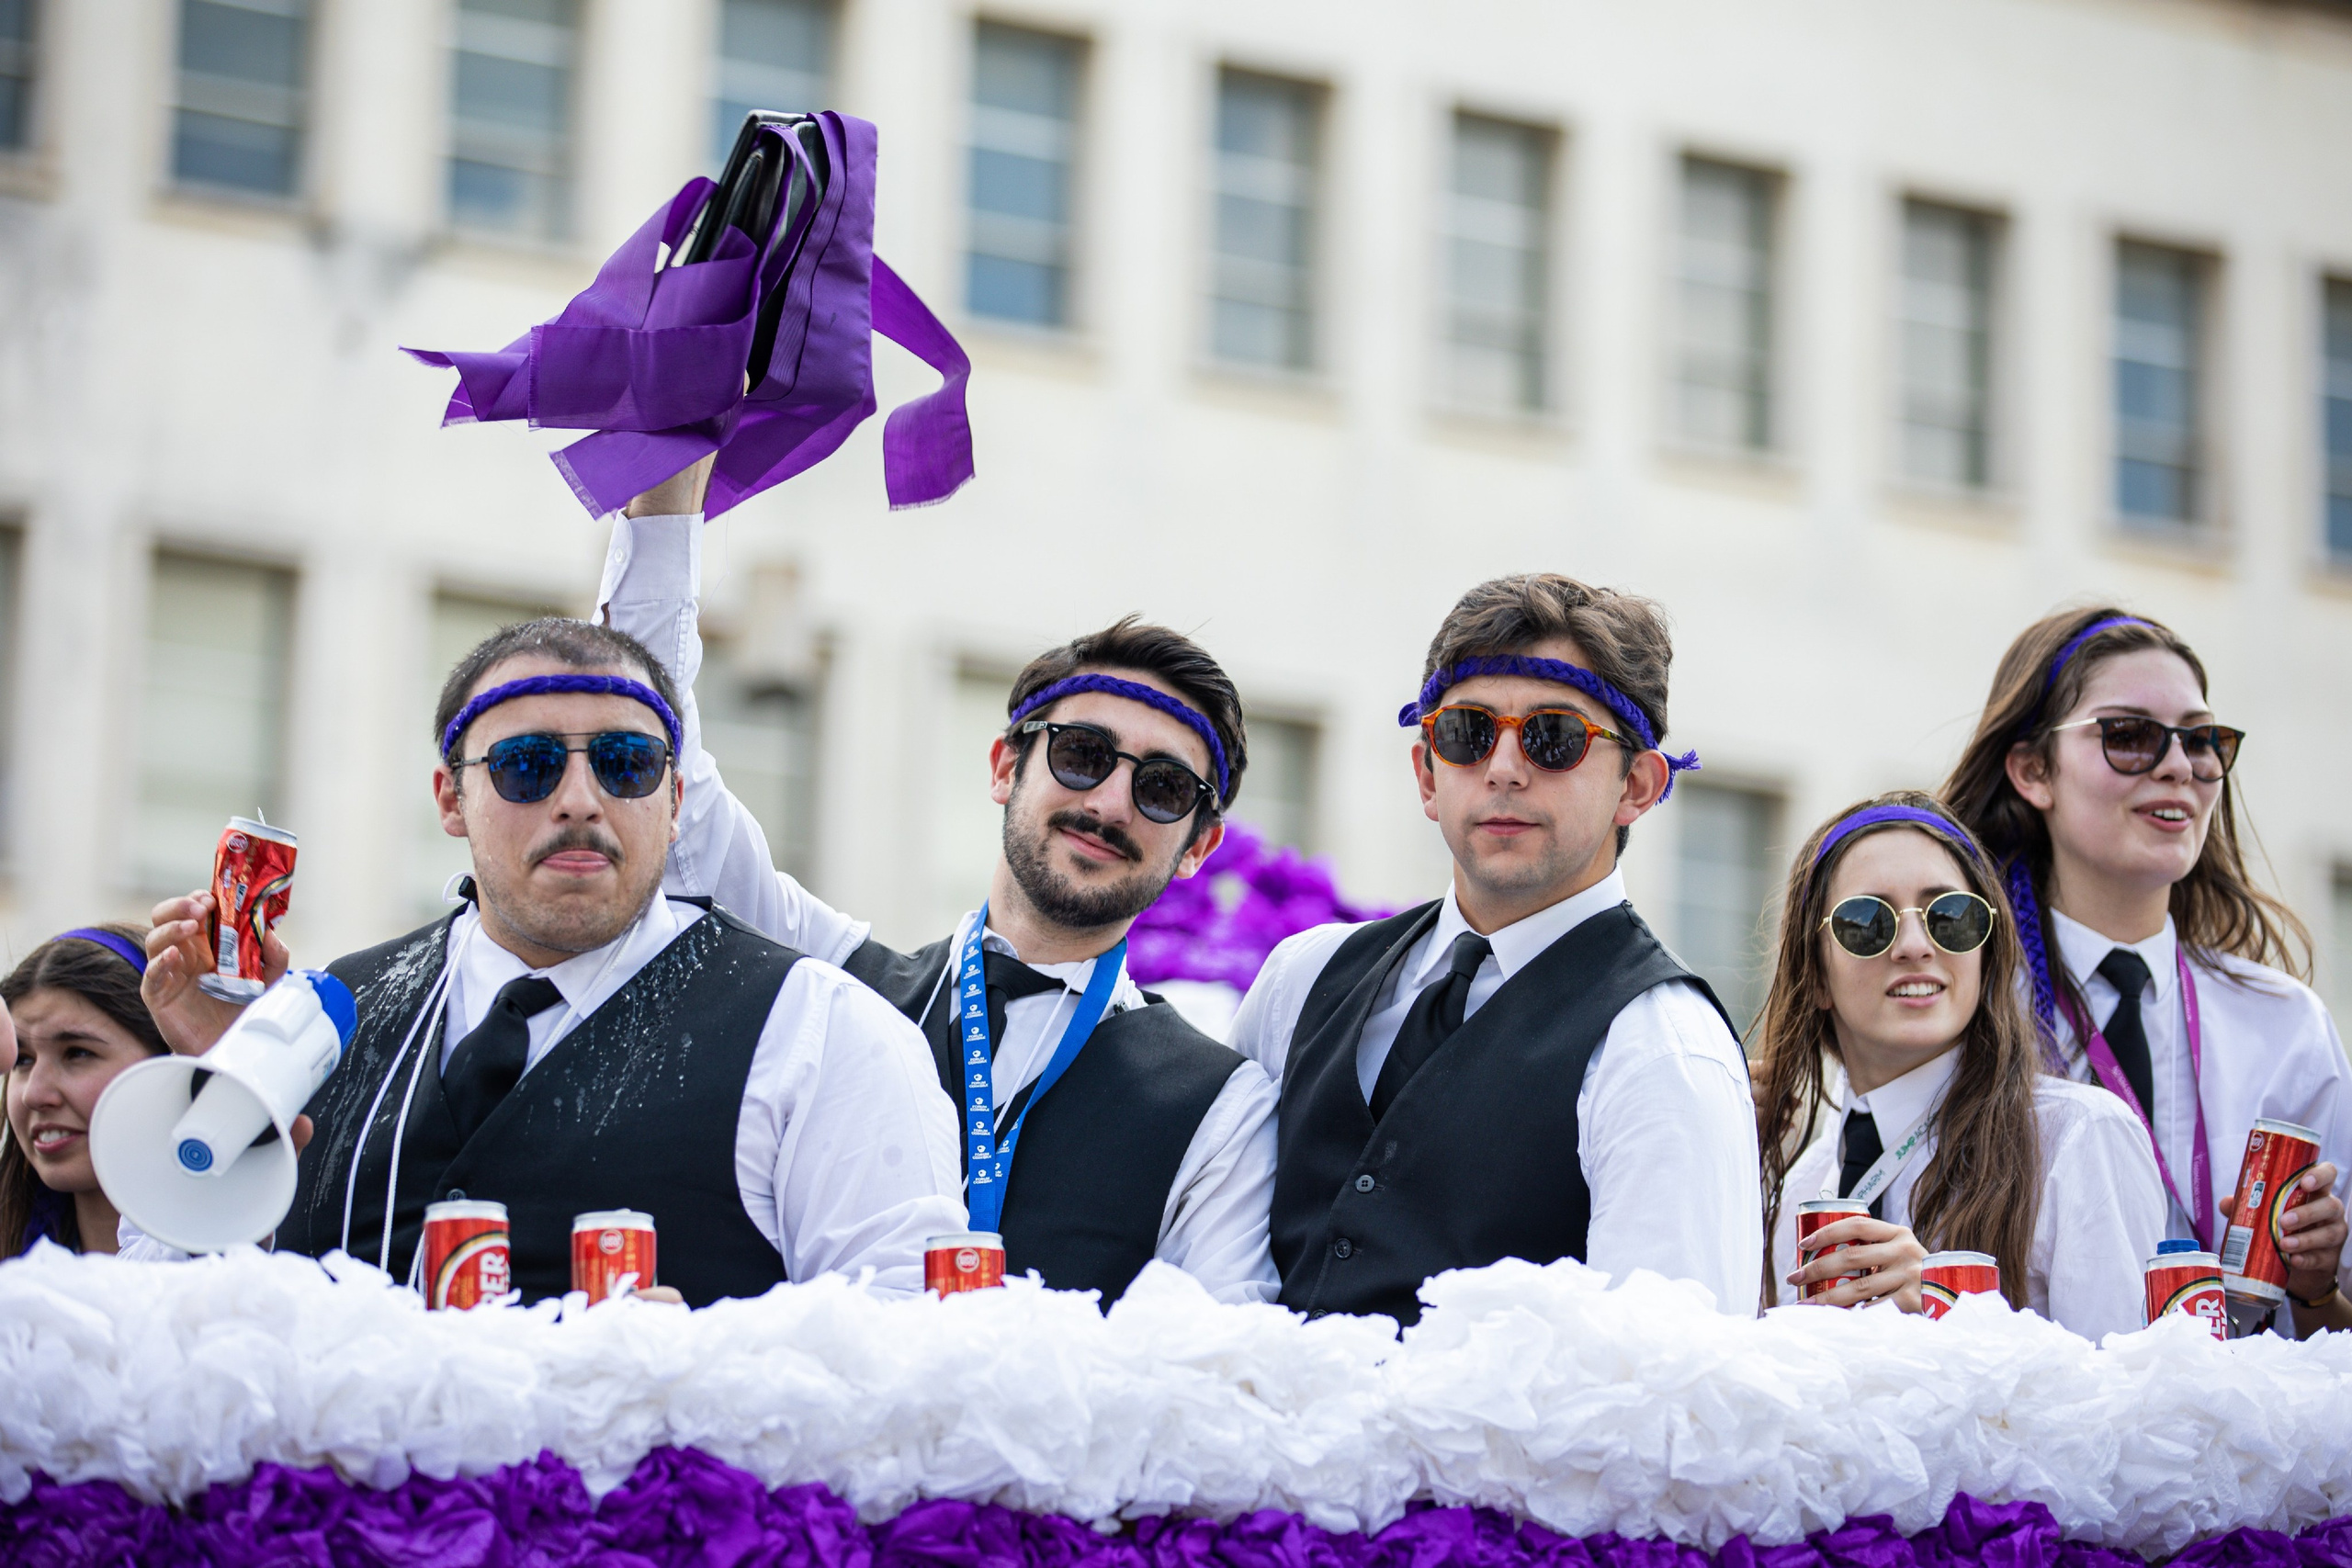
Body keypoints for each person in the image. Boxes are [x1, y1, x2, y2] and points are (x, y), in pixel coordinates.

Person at [591, 463, 1278, 1305]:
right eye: (1082, 754)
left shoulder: (1225, 1105)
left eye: (1163, 786)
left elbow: (1215, 1374)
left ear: (1200, 843)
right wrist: (667, 491)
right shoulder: (837, 983)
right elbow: (667, 789)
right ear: (1005, 767)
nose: (1108, 801)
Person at [141, 615, 964, 1305]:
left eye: (626, 764)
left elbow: (913, 1353)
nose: (579, 797)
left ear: (675, 802)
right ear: (449, 799)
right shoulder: (319, 1018)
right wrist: (222, 1096)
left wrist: (713, 1372)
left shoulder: (819, 1029)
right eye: (526, 765)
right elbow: (173, 1322)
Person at [1227, 573, 1758, 1325]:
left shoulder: (1663, 1049)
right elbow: (1205, 1283)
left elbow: (1663, 1396)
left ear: (1637, 785)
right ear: (1426, 774)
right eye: (1468, 732)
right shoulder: (1303, 977)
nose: (1505, 767)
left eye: (1554, 737)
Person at [1942, 607, 2352, 1337]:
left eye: (2201, 740)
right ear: (2033, 769)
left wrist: (2316, 1287)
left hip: (2232, 1442)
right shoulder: (1959, 1006)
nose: (2177, 766)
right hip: (2032, 1438)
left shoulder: (2285, 1026)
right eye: (2128, 735)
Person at [1754, 794, 2166, 1337]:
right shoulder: (1803, 1189)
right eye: (1867, 922)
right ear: (1816, 973)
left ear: (1985, 953)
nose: (1914, 945)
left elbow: (2135, 1401)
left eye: (1950, 916)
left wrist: (1955, 1309)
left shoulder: (2080, 1136)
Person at [1, 928, 169, 1258]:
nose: (33, 1095)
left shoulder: (269, 1260)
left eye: (77, 1053)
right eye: (22, 1060)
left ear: (168, 1061)